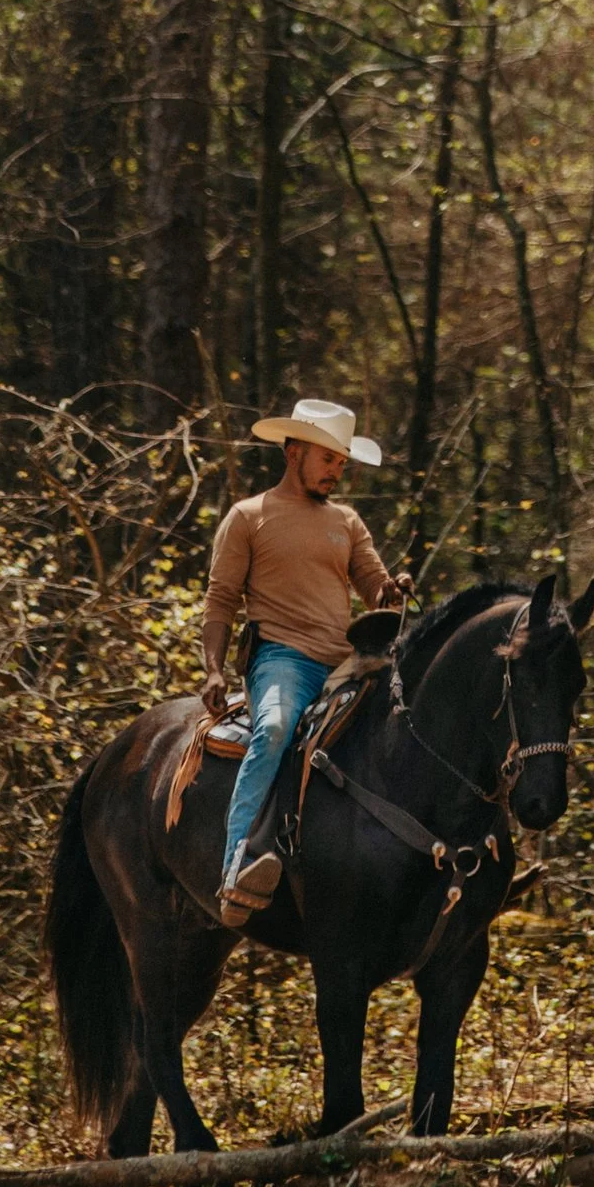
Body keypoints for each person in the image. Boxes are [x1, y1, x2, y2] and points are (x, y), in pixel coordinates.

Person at [202, 396, 404, 926]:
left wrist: (394, 592)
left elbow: (376, 595)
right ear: (294, 452)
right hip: (283, 659)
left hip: (348, 662)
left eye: (342, 462)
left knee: (409, 723)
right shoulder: (249, 517)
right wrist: (214, 669)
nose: (337, 471)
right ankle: (236, 865)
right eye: (328, 459)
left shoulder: (347, 522)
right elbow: (221, 599)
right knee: (272, 729)